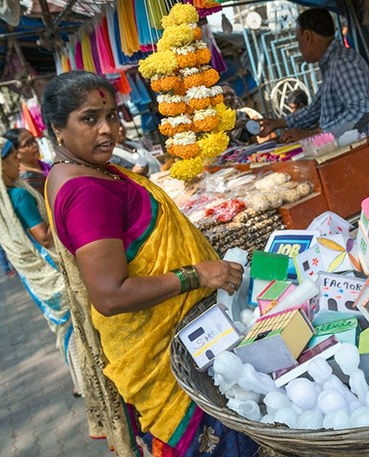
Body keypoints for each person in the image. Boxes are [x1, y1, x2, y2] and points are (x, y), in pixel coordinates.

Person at [41, 71, 257, 456]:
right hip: (164, 358)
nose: (107, 130)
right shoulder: (87, 190)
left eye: (112, 116)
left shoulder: (77, 171)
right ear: (58, 128)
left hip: (172, 341)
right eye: (89, 119)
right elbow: (109, 295)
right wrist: (198, 273)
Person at [0, 136, 84, 396]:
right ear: (0, 166)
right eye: (12, 159)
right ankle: (90, 382)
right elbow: (43, 236)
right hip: (52, 269)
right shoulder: (20, 194)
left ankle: (80, 381)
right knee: (78, 330)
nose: (17, 165)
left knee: (64, 330)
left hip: (34, 277)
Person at [259, 8, 369, 143]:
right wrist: (279, 122)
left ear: (307, 36)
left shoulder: (342, 62)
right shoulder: (331, 64)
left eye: (298, 40)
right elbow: (316, 108)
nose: (299, 47)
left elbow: (361, 112)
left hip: (361, 151)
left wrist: (316, 135)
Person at [3, 128, 51, 196]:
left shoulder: (46, 165)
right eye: (28, 144)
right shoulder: (26, 180)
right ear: (15, 151)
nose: (34, 145)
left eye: (33, 140)